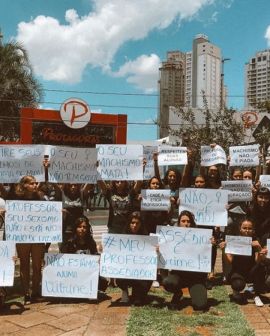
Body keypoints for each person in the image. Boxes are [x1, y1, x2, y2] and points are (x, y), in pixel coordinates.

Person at [162, 211, 208, 311]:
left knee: (200, 306)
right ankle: (178, 293)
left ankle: (197, 292)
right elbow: (164, 256)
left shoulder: (201, 237)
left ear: (192, 223)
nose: (186, 224)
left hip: (196, 277)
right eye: (183, 221)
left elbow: (207, 258)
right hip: (179, 275)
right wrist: (159, 249)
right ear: (178, 223)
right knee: (167, 282)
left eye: (188, 221)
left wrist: (210, 245)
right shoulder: (172, 237)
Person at [14, 175, 45, 304]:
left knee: (38, 265)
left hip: (37, 236)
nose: (35, 185)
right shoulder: (17, 199)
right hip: (23, 236)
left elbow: (47, 213)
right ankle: (26, 293)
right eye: (32, 183)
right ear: (24, 185)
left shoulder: (40, 197)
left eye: (36, 183)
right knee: (24, 265)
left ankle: (36, 292)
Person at [221, 218, 264, 306]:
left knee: (261, 268)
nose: (247, 230)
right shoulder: (234, 241)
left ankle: (256, 294)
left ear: (253, 230)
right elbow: (229, 260)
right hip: (237, 270)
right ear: (240, 229)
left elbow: (257, 260)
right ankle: (236, 291)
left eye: (249, 228)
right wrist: (224, 250)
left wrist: (259, 249)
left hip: (251, 270)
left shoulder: (255, 240)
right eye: (244, 228)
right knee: (238, 285)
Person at [61, 216, 108, 294]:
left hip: (88, 274)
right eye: (79, 227)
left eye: (84, 227)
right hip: (74, 274)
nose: (82, 229)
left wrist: (100, 257)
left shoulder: (91, 242)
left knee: (103, 282)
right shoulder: (69, 243)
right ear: (75, 228)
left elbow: (95, 257)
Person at [116, 211, 152, 305]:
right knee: (119, 278)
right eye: (132, 223)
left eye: (137, 223)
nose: (135, 225)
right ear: (129, 223)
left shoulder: (147, 238)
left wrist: (155, 250)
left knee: (138, 301)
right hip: (126, 271)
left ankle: (139, 293)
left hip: (140, 272)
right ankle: (125, 291)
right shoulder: (122, 238)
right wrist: (105, 249)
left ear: (141, 224)